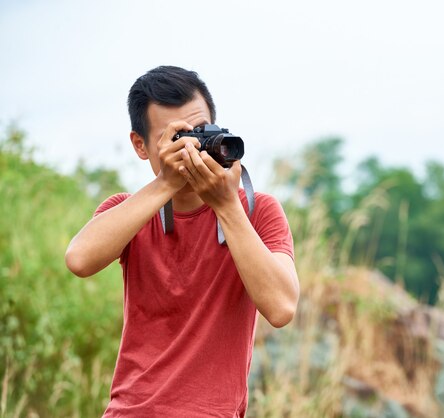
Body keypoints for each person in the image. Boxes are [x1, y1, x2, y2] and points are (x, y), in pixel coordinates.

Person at [65, 66, 300, 417]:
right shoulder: (128, 211)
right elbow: (79, 260)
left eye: (200, 132)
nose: (192, 148)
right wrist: (165, 185)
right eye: (176, 139)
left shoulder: (256, 210)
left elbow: (282, 308)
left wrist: (227, 207)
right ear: (141, 145)